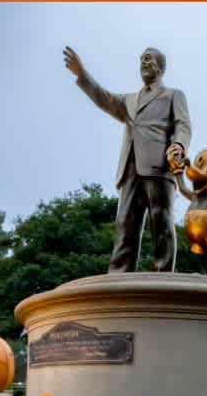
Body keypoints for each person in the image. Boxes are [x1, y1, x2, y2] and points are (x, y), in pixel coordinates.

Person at [63, 46, 191, 273]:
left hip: (159, 165)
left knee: (160, 222)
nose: (143, 63)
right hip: (129, 168)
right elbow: (104, 98)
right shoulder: (129, 100)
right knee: (125, 224)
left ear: (160, 67)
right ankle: (119, 276)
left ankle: (162, 275)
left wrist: (178, 146)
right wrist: (82, 75)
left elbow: (183, 125)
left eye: (148, 59)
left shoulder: (173, 95)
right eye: (141, 59)